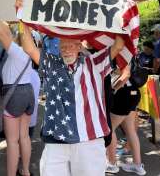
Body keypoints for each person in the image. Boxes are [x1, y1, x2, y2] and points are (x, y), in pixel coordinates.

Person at [20, 18, 125, 176]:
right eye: (62, 47)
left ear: (79, 47)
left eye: (70, 46)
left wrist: (121, 17)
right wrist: (23, 19)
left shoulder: (94, 63)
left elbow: (118, 45)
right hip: (56, 139)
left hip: (88, 140)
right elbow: (29, 47)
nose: (66, 50)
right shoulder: (52, 64)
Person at [0, 3, 36, 176]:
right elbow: (6, 32)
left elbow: (2, 34)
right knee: (24, 136)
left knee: (12, 140)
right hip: (28, 93)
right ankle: (25, 171)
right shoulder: (29, 52)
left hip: (14, 95)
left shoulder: (16, 51)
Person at [106, 66, 146, 175]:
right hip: (133, 93)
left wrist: (113, 90)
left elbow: (126, 74)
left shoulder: (120, 52)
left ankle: (111, 163)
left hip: (122, 94)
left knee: (109, 129)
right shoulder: (128, 52)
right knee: (130, 130)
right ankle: (137, 165)